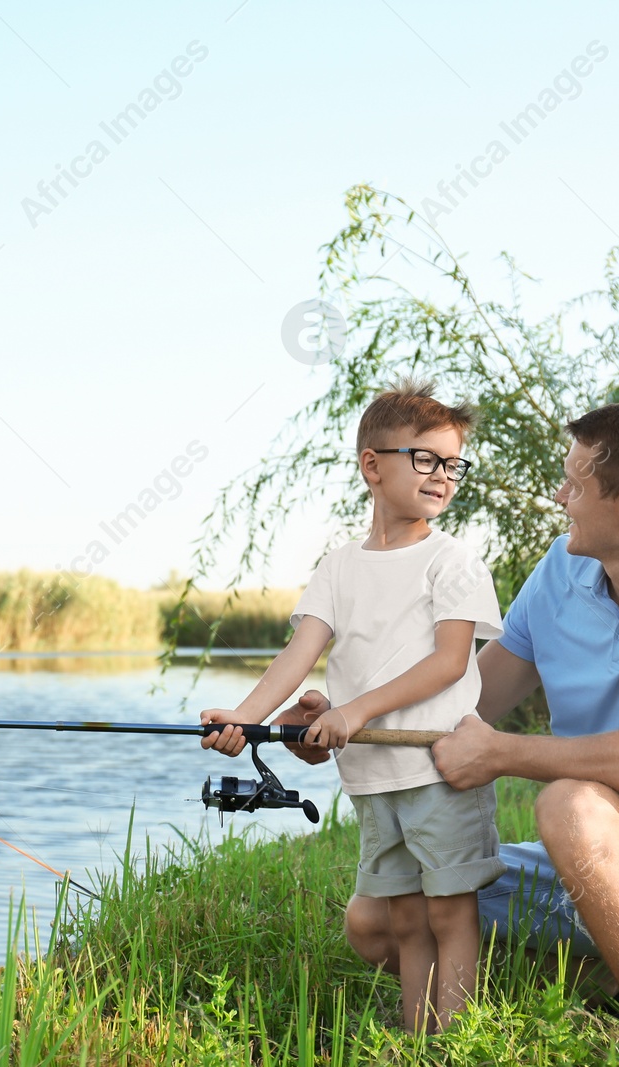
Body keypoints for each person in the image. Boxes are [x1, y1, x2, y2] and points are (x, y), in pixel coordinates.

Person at [269, 400, 619, 1033]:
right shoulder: (562, 569)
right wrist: (345, 719)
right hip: (582, 860)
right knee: (373, 921)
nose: (560, 494)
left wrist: (504, 754)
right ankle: (600, 977)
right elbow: (465, 703)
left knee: (571, 806)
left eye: (575, 482)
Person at [201, 379, 506, 1033]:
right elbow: (297, 655)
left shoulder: (453, 562)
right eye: (426, 458)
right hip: (374, 780)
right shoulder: (338, 566)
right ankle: (416, 1036)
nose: (444, 475)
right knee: (404, 917)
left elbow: (450, 661)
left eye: (454, 464)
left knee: (450, 913)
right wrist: (242, 716)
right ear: (373, 464)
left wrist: (356, 710)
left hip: (440, 770)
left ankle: (454, 1043)